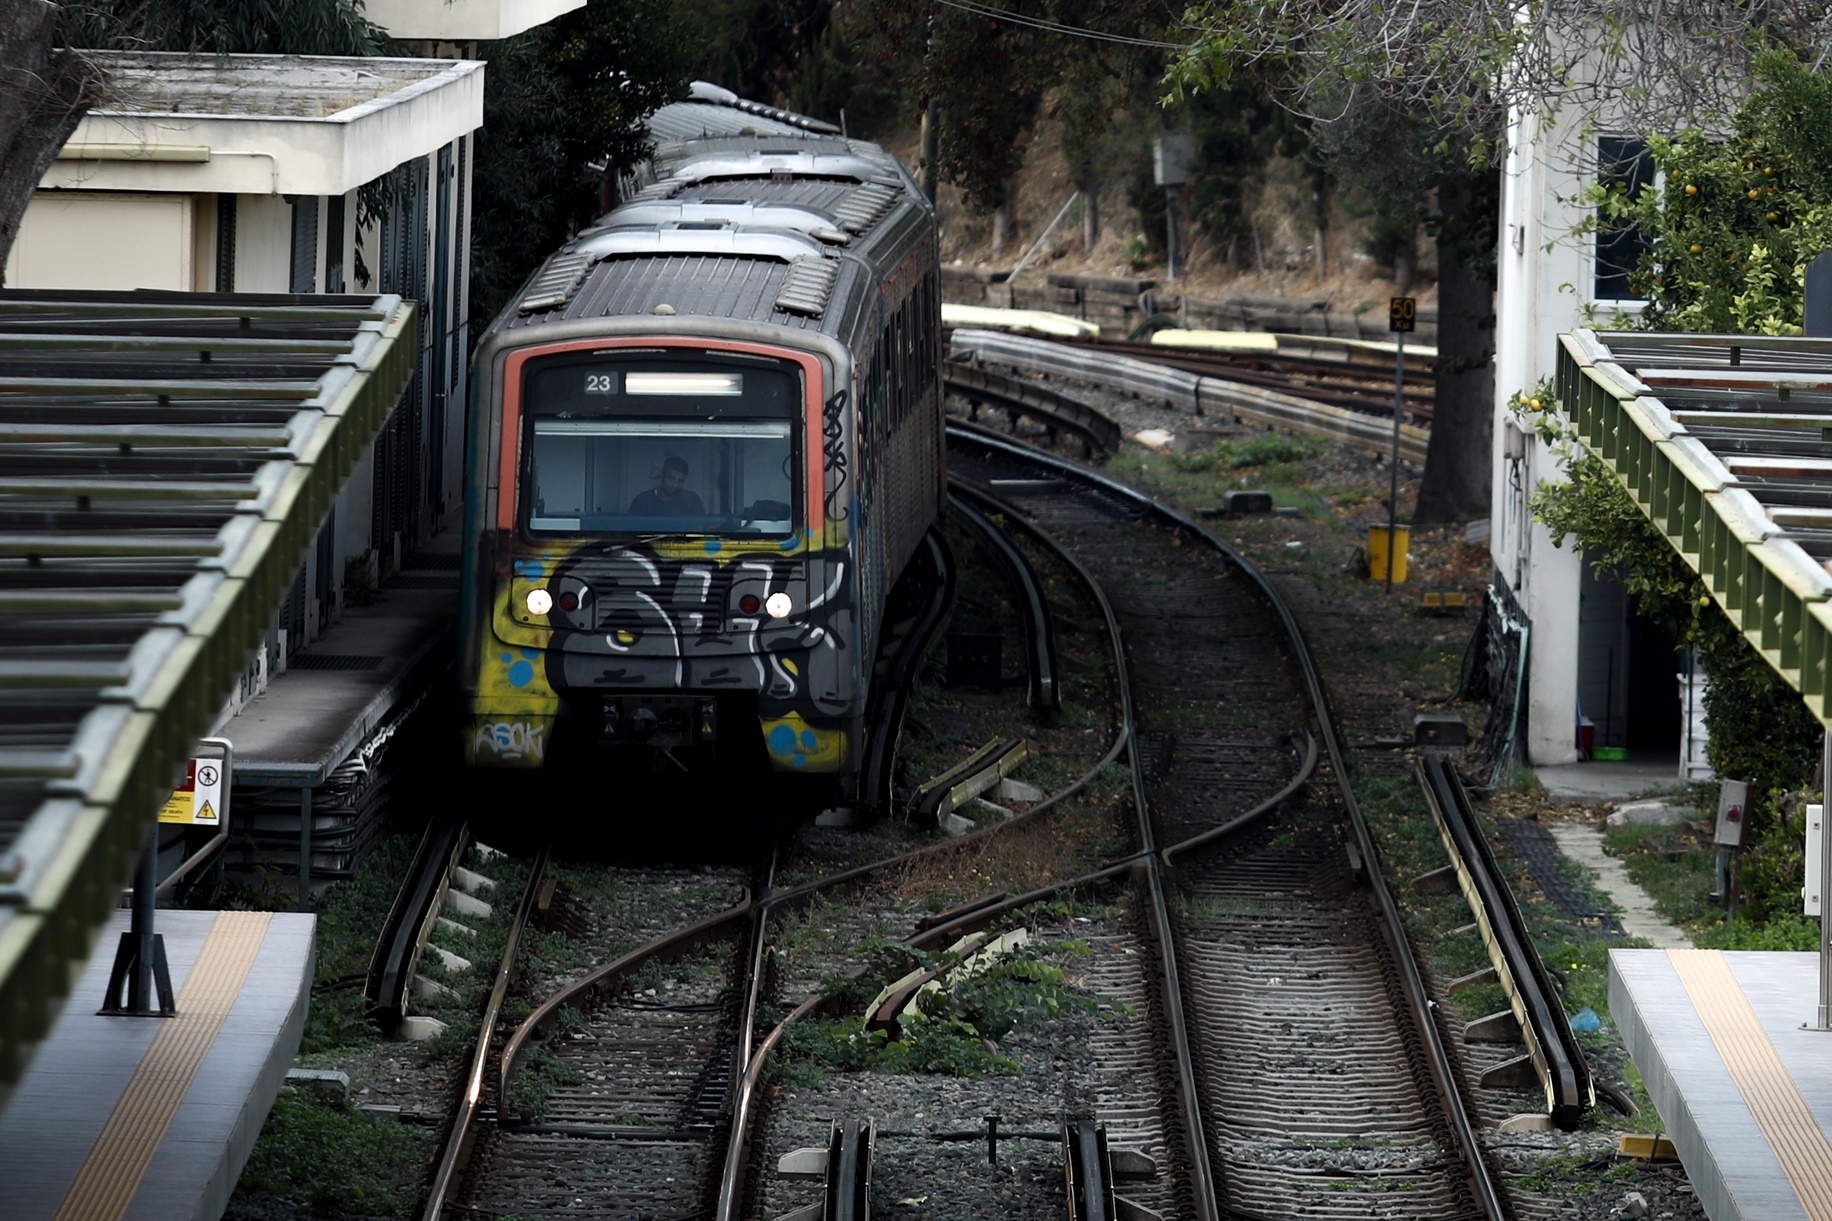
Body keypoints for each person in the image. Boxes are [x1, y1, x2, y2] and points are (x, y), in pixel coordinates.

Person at [629, 455, 704, 515]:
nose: (675, 485)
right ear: (662, 476)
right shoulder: (642, 501)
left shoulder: (692, 501)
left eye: (680, 481)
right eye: (671, 479)